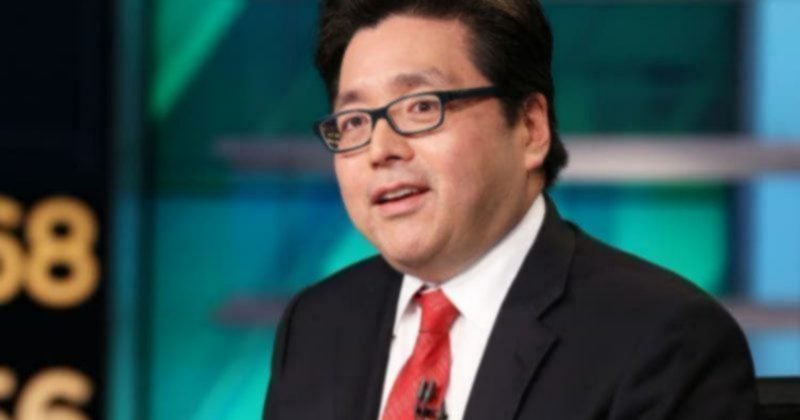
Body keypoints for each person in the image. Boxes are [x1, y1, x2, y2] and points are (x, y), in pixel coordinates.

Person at [263, 1, 757, 419]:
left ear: (530, 128)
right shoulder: (316, 325)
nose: (380, 149)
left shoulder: (665, 340)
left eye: (421, 107)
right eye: (353, 120)